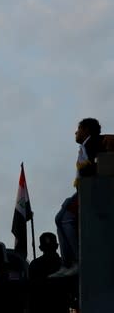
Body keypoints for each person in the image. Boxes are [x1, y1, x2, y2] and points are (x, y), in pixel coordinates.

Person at [53, 118, 102, 277]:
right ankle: (67, 263)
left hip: (90, 190)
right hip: (83, 189)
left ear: (86, 130)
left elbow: (95, 166)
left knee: (66, 218)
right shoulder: (86, 145)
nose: (76, 132)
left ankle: (77, 261)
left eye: (78, 129)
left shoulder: (92, 143)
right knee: (60, 217)